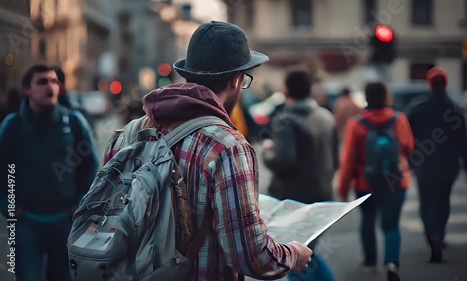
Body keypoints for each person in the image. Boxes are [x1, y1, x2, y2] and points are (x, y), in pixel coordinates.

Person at [101, 21, 312, 281]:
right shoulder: (228, 147)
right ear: (236, 80)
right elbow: (250, 256)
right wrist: (292, 254)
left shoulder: (128, 134)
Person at [0, 64, 100, 281]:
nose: (50, 86)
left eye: (54, 81)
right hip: (26, 223)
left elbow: (91, 166)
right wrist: (7, 203)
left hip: (64, 222)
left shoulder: (73, 121)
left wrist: (81, 203)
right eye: (42, 82)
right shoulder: (13, 125)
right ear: (27, 89)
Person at [261, 69, 337, 281]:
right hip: (323, 194)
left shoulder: (286, 120)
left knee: (295, 258)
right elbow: (335, 159)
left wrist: (268, 150)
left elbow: (282, 160)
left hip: (294, 199)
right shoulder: (326, 116)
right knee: (307, 254)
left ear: (286, 91)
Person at [338, 82, 414, 281]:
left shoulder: (356, 123)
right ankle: (391, 263)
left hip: (365, 184)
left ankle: (370, 260)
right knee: (392, 225)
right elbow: (408, 147)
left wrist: (343, 189)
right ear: (386, 97)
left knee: (368, 222)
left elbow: (348, 160)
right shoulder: (400, 119)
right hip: (396, 182)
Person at [407, 67, 467, 263]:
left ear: (429, 84)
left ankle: (433, 237)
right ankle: (440, 235)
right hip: (449, 166)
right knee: (443, 202)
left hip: (424, 165)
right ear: (445, 83)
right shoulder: (455, 110)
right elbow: (464, 143)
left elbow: (408, 139)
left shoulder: (418, 109)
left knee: (426, 204)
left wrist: (409, 160)